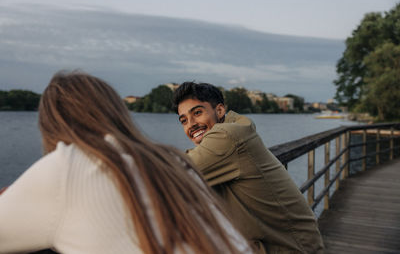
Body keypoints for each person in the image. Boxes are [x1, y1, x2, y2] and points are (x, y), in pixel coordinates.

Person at [0, 71, 253, 254]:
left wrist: (21, 194)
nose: (190, 123)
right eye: (183, 119)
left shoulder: (67, 164)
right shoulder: (173, 160)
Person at [173, 82, 324, 254]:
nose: (191, 124)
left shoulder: (228, 136)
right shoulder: (234, 131)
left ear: (220, 111)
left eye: (197, 113)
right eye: (184, 120)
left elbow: (172, 171)